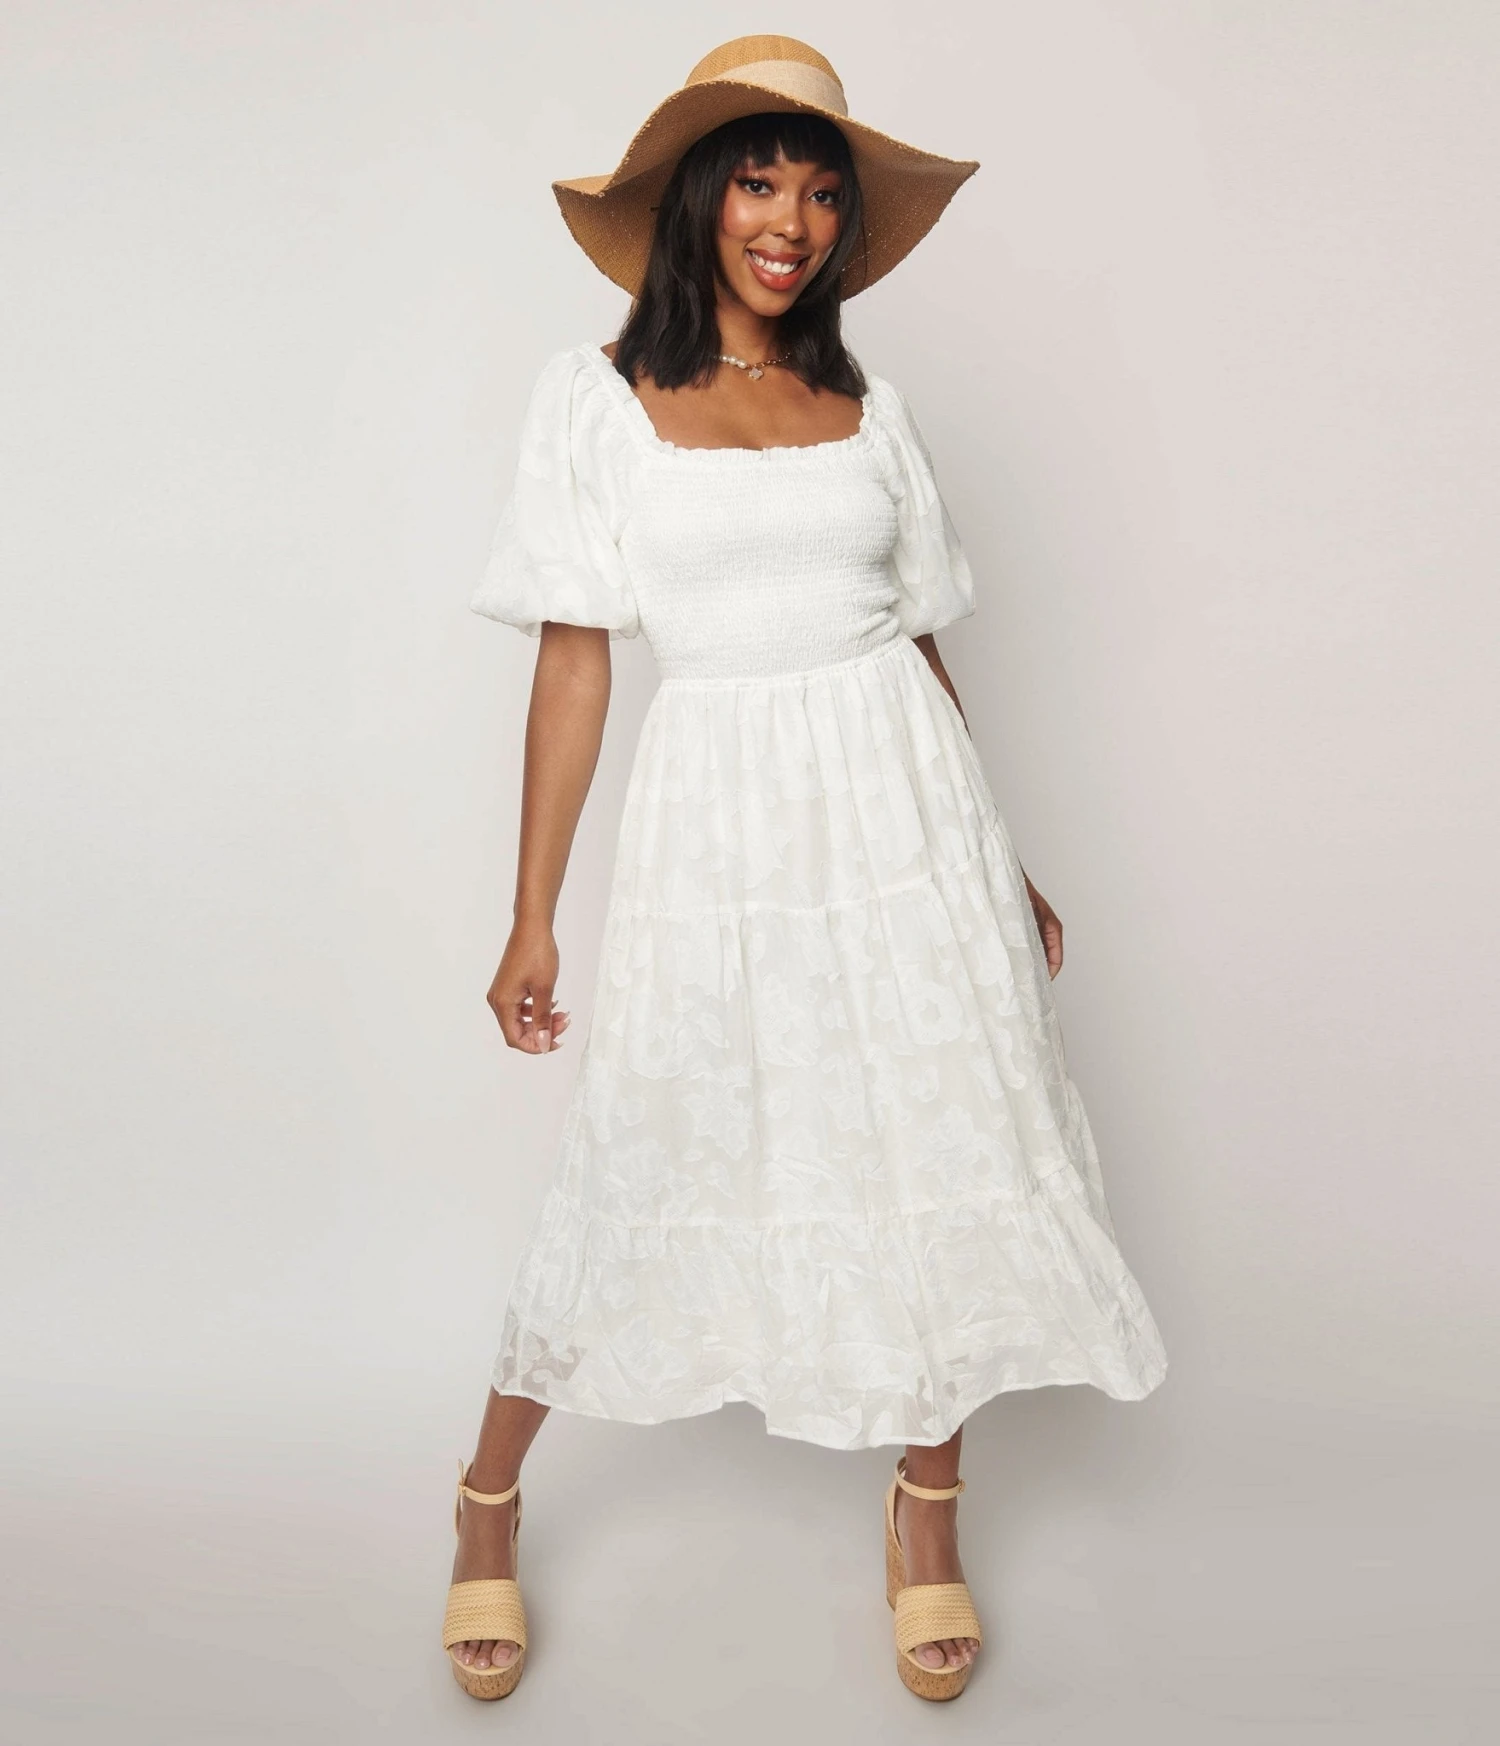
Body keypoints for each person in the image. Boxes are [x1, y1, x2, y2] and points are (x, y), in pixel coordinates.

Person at [441, 34, 1169, 1705]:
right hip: (725, 828)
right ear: (699, 198)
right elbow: (575, 661)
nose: (792, 221)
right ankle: (486, 1494)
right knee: (647, 1147)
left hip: (911, 825)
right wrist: (532, 912)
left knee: (940, 1127)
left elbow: (913, 642)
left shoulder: (869, 405)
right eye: (761, 182)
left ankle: (928, 1505)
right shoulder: (596, 398)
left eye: (823, 193)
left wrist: (1004, 858)